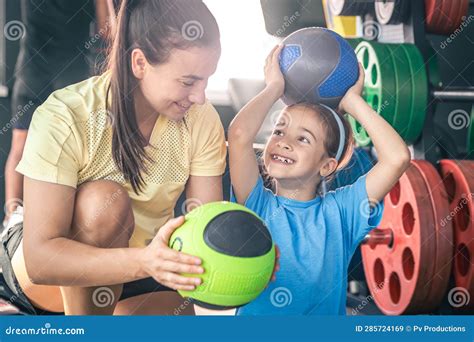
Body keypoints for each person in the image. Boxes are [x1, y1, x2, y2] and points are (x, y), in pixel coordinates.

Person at [0, 0, 227, 315]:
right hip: (49, 269)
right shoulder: (66, 114)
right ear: (139, 63)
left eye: (207, 79)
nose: (200, 96)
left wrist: (245, 263)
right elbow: (42, 260)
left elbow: (205, 230)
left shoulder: (202, 119)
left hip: (142, 262)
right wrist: (142, 262)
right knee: (106, 201)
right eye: (188, 81)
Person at [227, 45, 411, 314]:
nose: (284, 143)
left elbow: (397, 158)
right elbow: (240, 134)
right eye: (278, 131)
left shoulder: (342, 212)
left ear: (327, 166)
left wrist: (352, 103)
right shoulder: (255, 204)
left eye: (303, 139)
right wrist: (275, 87)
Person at [3, 0, 116, 229]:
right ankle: (31, 222)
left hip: (37, 68)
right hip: (68, 69)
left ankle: (12, 221)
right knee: (80, 151)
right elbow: (107, 30)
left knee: (21, 146)